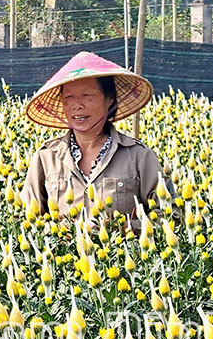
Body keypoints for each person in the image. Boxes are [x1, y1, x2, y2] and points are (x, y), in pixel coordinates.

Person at [21, 51, 166, 225]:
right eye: (69, 97)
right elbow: (27, 218)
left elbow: (169, 214)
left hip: (121, 249)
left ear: (110, 99)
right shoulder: (46, 157)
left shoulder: (139, 156)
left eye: (87, 96)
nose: (77, 105)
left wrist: (124, 228)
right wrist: (55, 232)